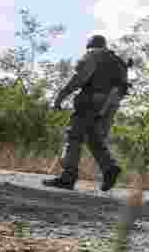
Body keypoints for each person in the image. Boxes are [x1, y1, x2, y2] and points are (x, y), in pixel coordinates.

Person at [42, 34, 129, 192]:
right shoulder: (118, 61)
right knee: (93, 138)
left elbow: (80, 78)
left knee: (74, 136)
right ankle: (109, 168)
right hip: (111, 105)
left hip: (91, 101)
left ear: (90, 45)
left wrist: (61, 96)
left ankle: (67, 177)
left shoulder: (93, 54)